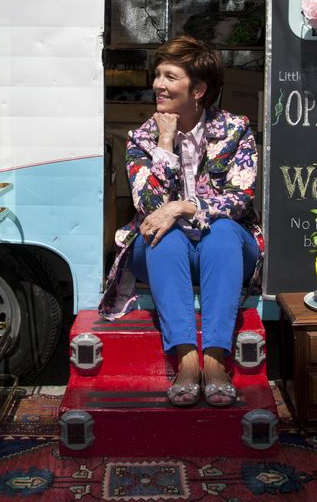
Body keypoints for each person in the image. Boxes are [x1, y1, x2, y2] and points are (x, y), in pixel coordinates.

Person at [98, 36, 262, 407]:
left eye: (170, 77)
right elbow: (150, 205)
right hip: (165, 252)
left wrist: (184, 207)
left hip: (225, 248)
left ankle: (216, 359)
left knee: (221, 232)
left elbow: (239, 199)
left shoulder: (236, 130)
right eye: (158, 75)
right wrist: (166, 145)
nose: (158, 84)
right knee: (162, 236)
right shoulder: (142, 137)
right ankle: (187, 361)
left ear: (199, 89)